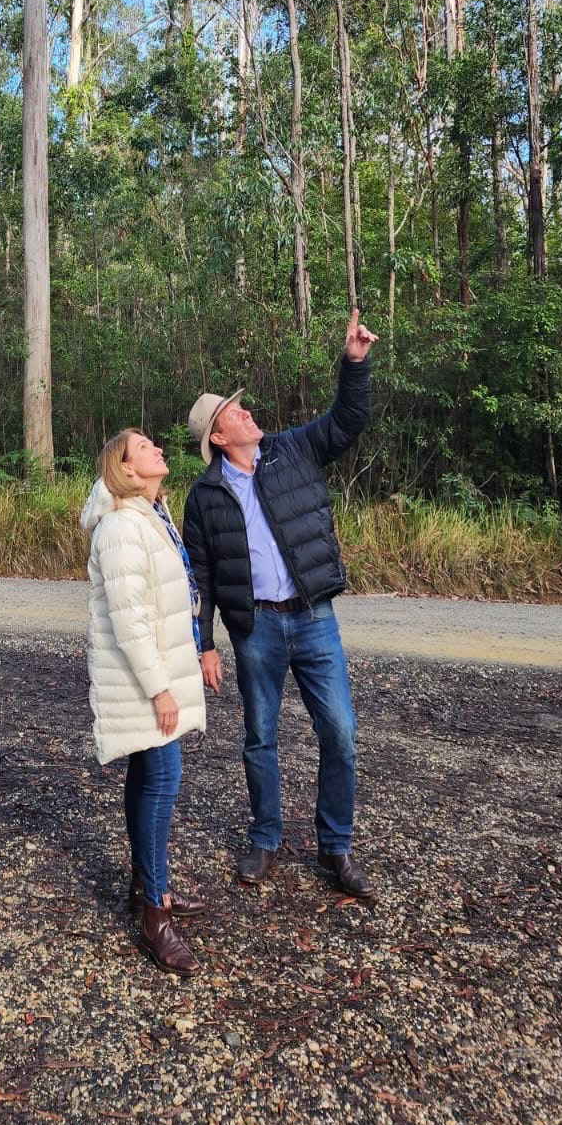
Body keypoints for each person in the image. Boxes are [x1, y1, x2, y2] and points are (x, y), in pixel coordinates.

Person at [183, 309, 378, 895]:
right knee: (259, 737)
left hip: (314, 618)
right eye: (233, 412)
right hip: (256, 630)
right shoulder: (206, 494)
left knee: (340, 733)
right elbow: (201, 576)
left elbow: (348, 419)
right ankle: (265, 838)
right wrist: (206, 645)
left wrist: (354, 363)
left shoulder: (294, 450)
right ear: (218, 437)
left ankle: (335, 848)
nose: (247, 412)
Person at [81, 429, 208, 975]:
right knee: (162, 781)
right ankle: (155, 913)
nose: (158, 450)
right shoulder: (121, 527)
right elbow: (129, 618)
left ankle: (146, 883)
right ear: (127, 471)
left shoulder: (152, 516)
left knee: (149, 775)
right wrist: (161, 688)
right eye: (145, 448)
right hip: (143, 680)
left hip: (155, 675)